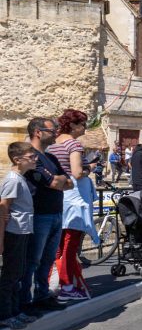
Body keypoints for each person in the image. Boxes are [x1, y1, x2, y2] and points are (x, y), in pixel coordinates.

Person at [21, 118, 73, 315]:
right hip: (39, 214)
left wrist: (59, 180)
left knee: (48, 259)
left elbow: (70, 183)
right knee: (32, 260)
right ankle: (25, 301)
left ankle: (42, 295)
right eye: (52, 130)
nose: (56, 134)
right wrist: (59, 180)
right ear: (38, 132)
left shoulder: (51, 158)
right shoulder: (30, 156)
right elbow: (54, 184)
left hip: (56, 213)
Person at [47, 109, 99, 301]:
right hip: (74, 201)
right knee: (70, 245)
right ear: (74, 125)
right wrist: (90, 167)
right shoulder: (73, 144)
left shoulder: (53, 144)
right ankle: (67, 286)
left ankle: (57, 283)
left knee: (58, 246)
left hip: (58, 198)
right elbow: (77, 172)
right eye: (83, 124)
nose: (85, 127)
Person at [0, 143, 39, 329]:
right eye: (31, 157)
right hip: (14, 233)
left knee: (18, 273)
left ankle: (15, 311)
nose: (35, 159)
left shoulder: (20, 179)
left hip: (22, 230)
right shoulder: (13, 180)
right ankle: (5, 314)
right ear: (17, 160)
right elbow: (4, 208)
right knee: (10, 275)